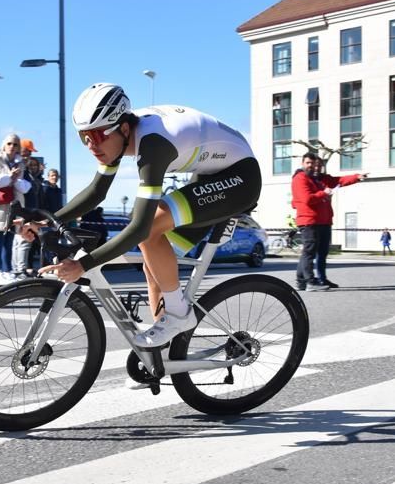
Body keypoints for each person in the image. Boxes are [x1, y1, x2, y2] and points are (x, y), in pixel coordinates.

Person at [28, 82, 261, 351]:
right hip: (209, 174)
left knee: (149, 230)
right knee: (154, 263)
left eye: (98, 135)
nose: (92, 145)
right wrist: (45, 221)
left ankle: (179, 315)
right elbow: (96, 192)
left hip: (240, 178)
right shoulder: (117, 137)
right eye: (85, 137)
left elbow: (139, 227)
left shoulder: (153, 144)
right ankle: (162, 354)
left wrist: (83, 265)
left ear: (124, 128)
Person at [291, 152, 366, 291]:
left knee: (319, 252)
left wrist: (356, 177)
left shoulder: (319, 179)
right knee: (309, 252)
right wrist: (324, 193)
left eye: (316, 164)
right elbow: (307, 199)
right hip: (309, 221)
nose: (314, 167)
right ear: (302, 163)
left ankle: (304, 281)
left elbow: (339, 180)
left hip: (323, 221)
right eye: (309, 163)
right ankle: (310, 282)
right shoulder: (300, 178)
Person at [0, 133, 30, 284]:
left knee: (9, 240)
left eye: (15, 144)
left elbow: (26, 186)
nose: (12, 147)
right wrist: (9, 177)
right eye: (9, 143)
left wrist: (16, 179)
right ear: (4, 145)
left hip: (14, 205)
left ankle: (7, 270)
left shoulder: (21, 163)